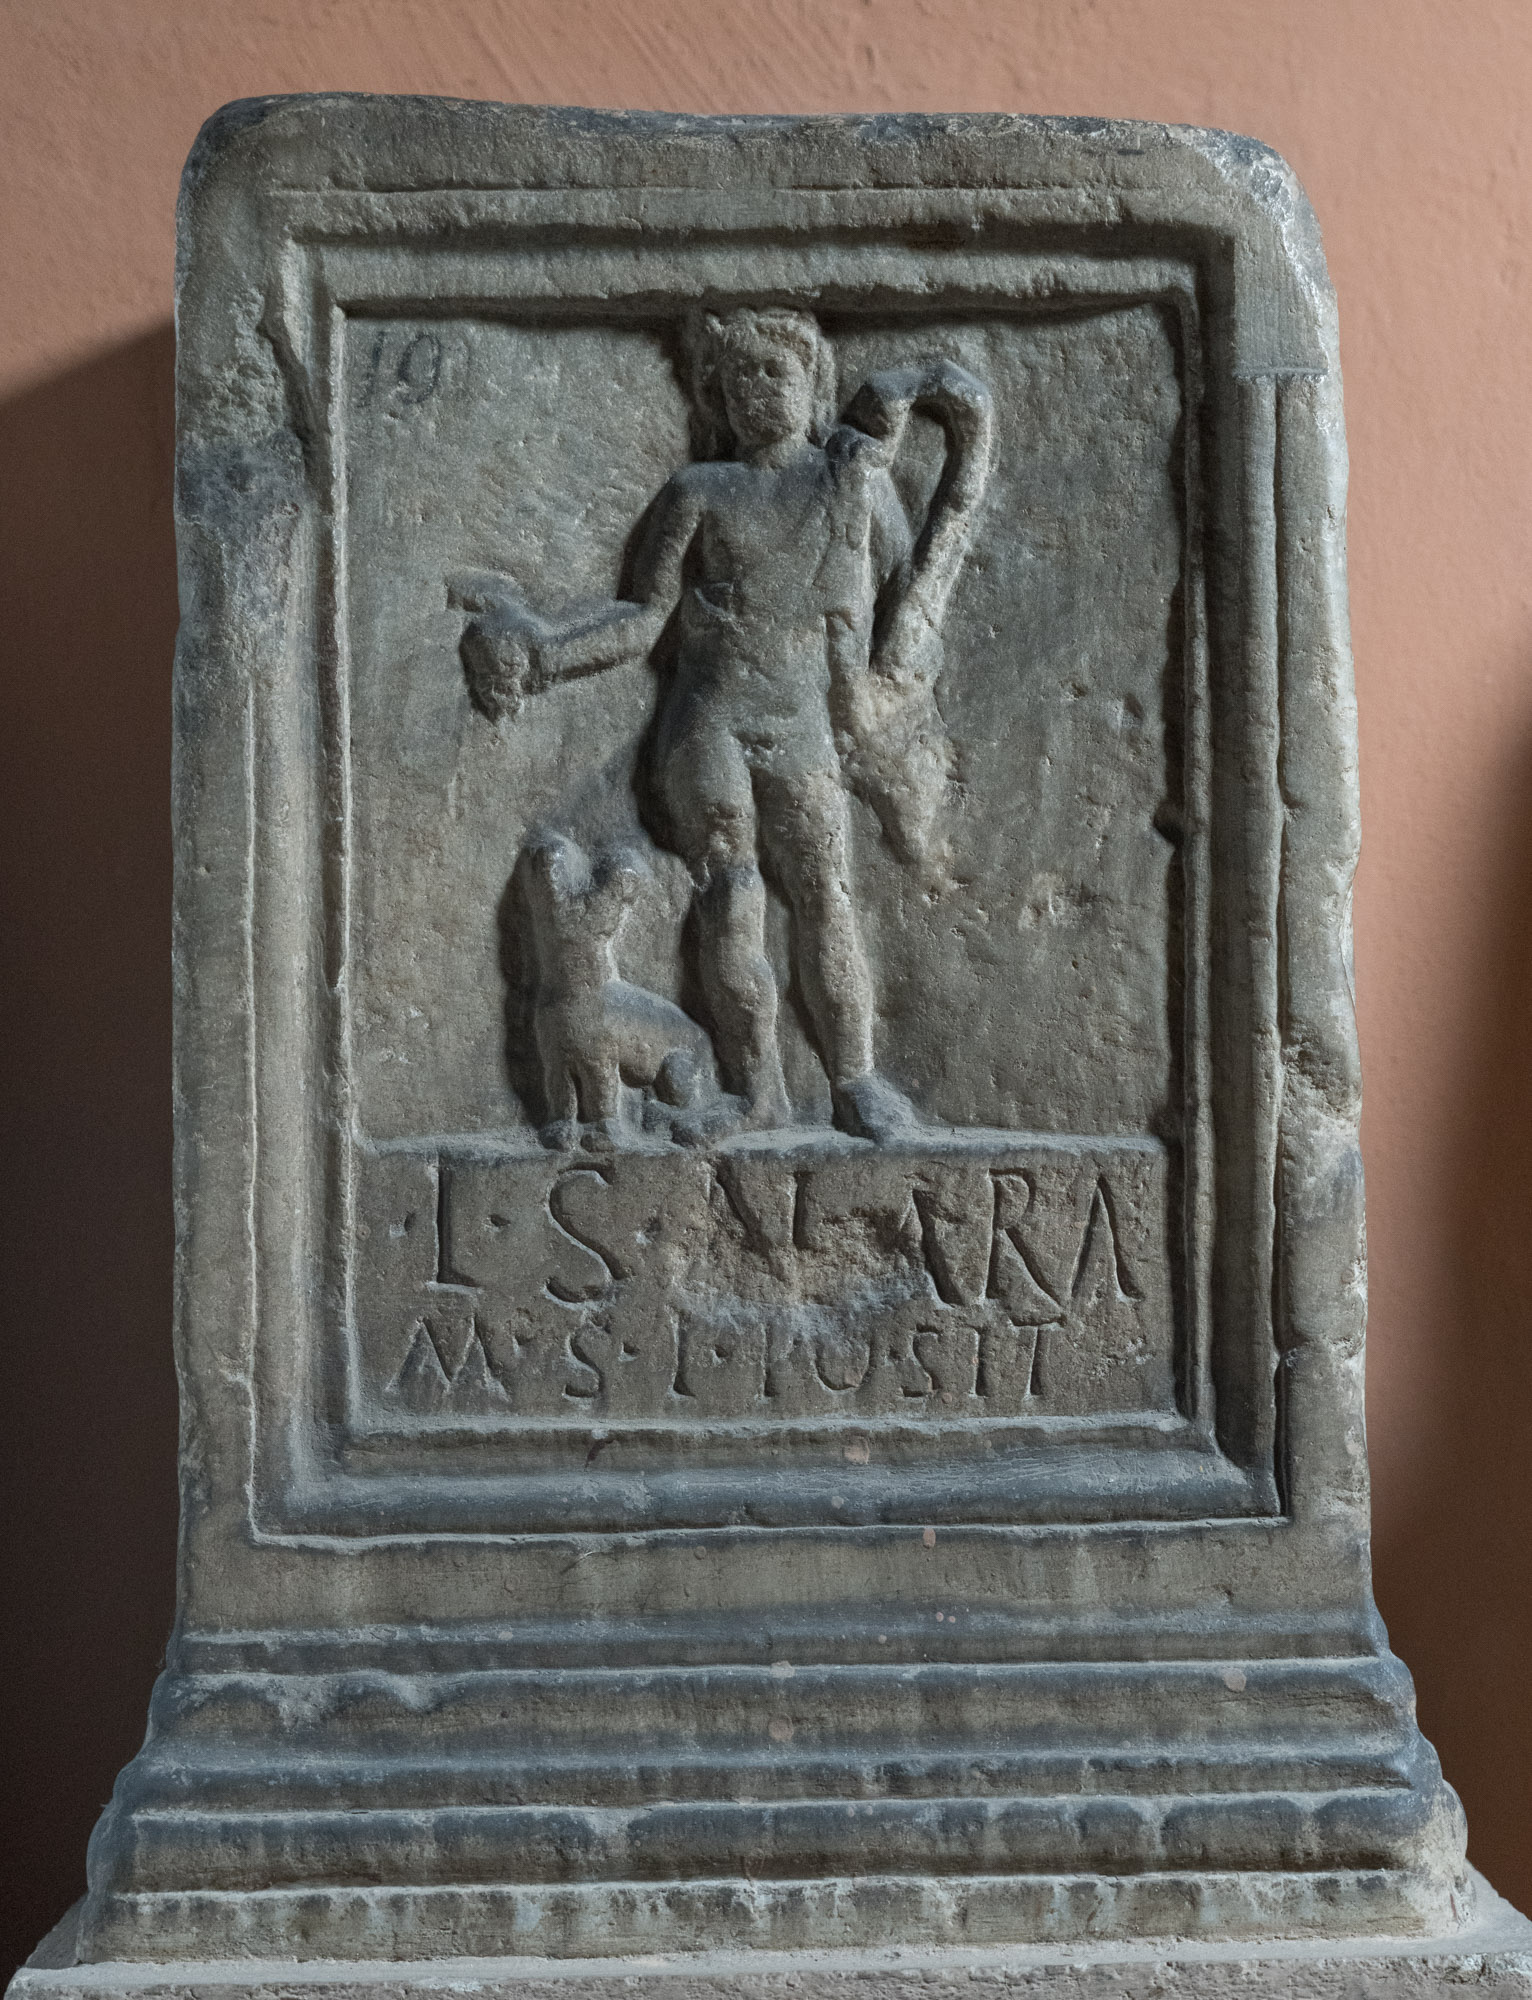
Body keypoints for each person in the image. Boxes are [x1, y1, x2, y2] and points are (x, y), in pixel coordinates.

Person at [457, 307, 992, 1140]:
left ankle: (855, 1080)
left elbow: (909, 591)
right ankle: (760, 1092)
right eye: (737, 376)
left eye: (774, 370)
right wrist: (547, 655)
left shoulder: (853, 483)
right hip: (707, 722)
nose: (755, 390)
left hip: (804, 723)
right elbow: (644, 619)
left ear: (811, 383)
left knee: (824, 896)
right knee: (733, 895)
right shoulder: (699, 492)